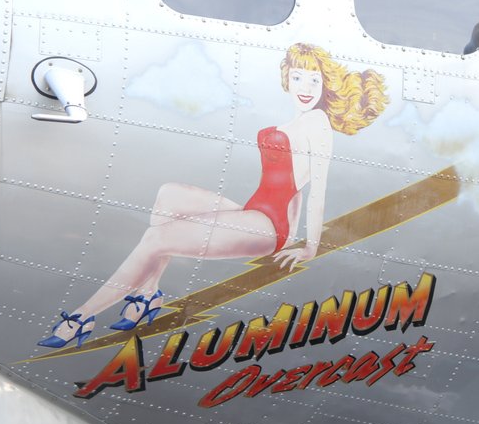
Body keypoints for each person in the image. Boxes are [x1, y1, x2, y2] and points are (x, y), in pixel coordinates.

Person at [38, 43, 388, 348]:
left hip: (271, 225)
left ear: (326, 84)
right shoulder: (296, 120)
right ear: (287, 79)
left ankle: (82, 317)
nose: (305, 87)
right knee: (168, 196)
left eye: (314, 79)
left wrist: (310, 246)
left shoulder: (317, 124)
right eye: (298, 77)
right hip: (255, 210)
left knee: (156, 239)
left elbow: (318, 190)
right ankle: (147, 294)